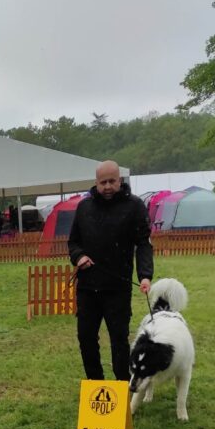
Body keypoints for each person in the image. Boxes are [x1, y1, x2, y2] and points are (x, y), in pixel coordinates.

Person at [67, 160, 153, 381]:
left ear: (119, 180)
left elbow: (143, 243)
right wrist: (79, 256)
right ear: (96, 183)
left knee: (119, 340)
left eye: (112, 182)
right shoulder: (84, 207)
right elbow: (73, 242)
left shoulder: (134, 206)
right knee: (86, 338)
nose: (107, 187)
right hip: (87, 287)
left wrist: (145, 275)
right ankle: (95, 383)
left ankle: (122, 384)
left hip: (118, 288)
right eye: (103, 182)